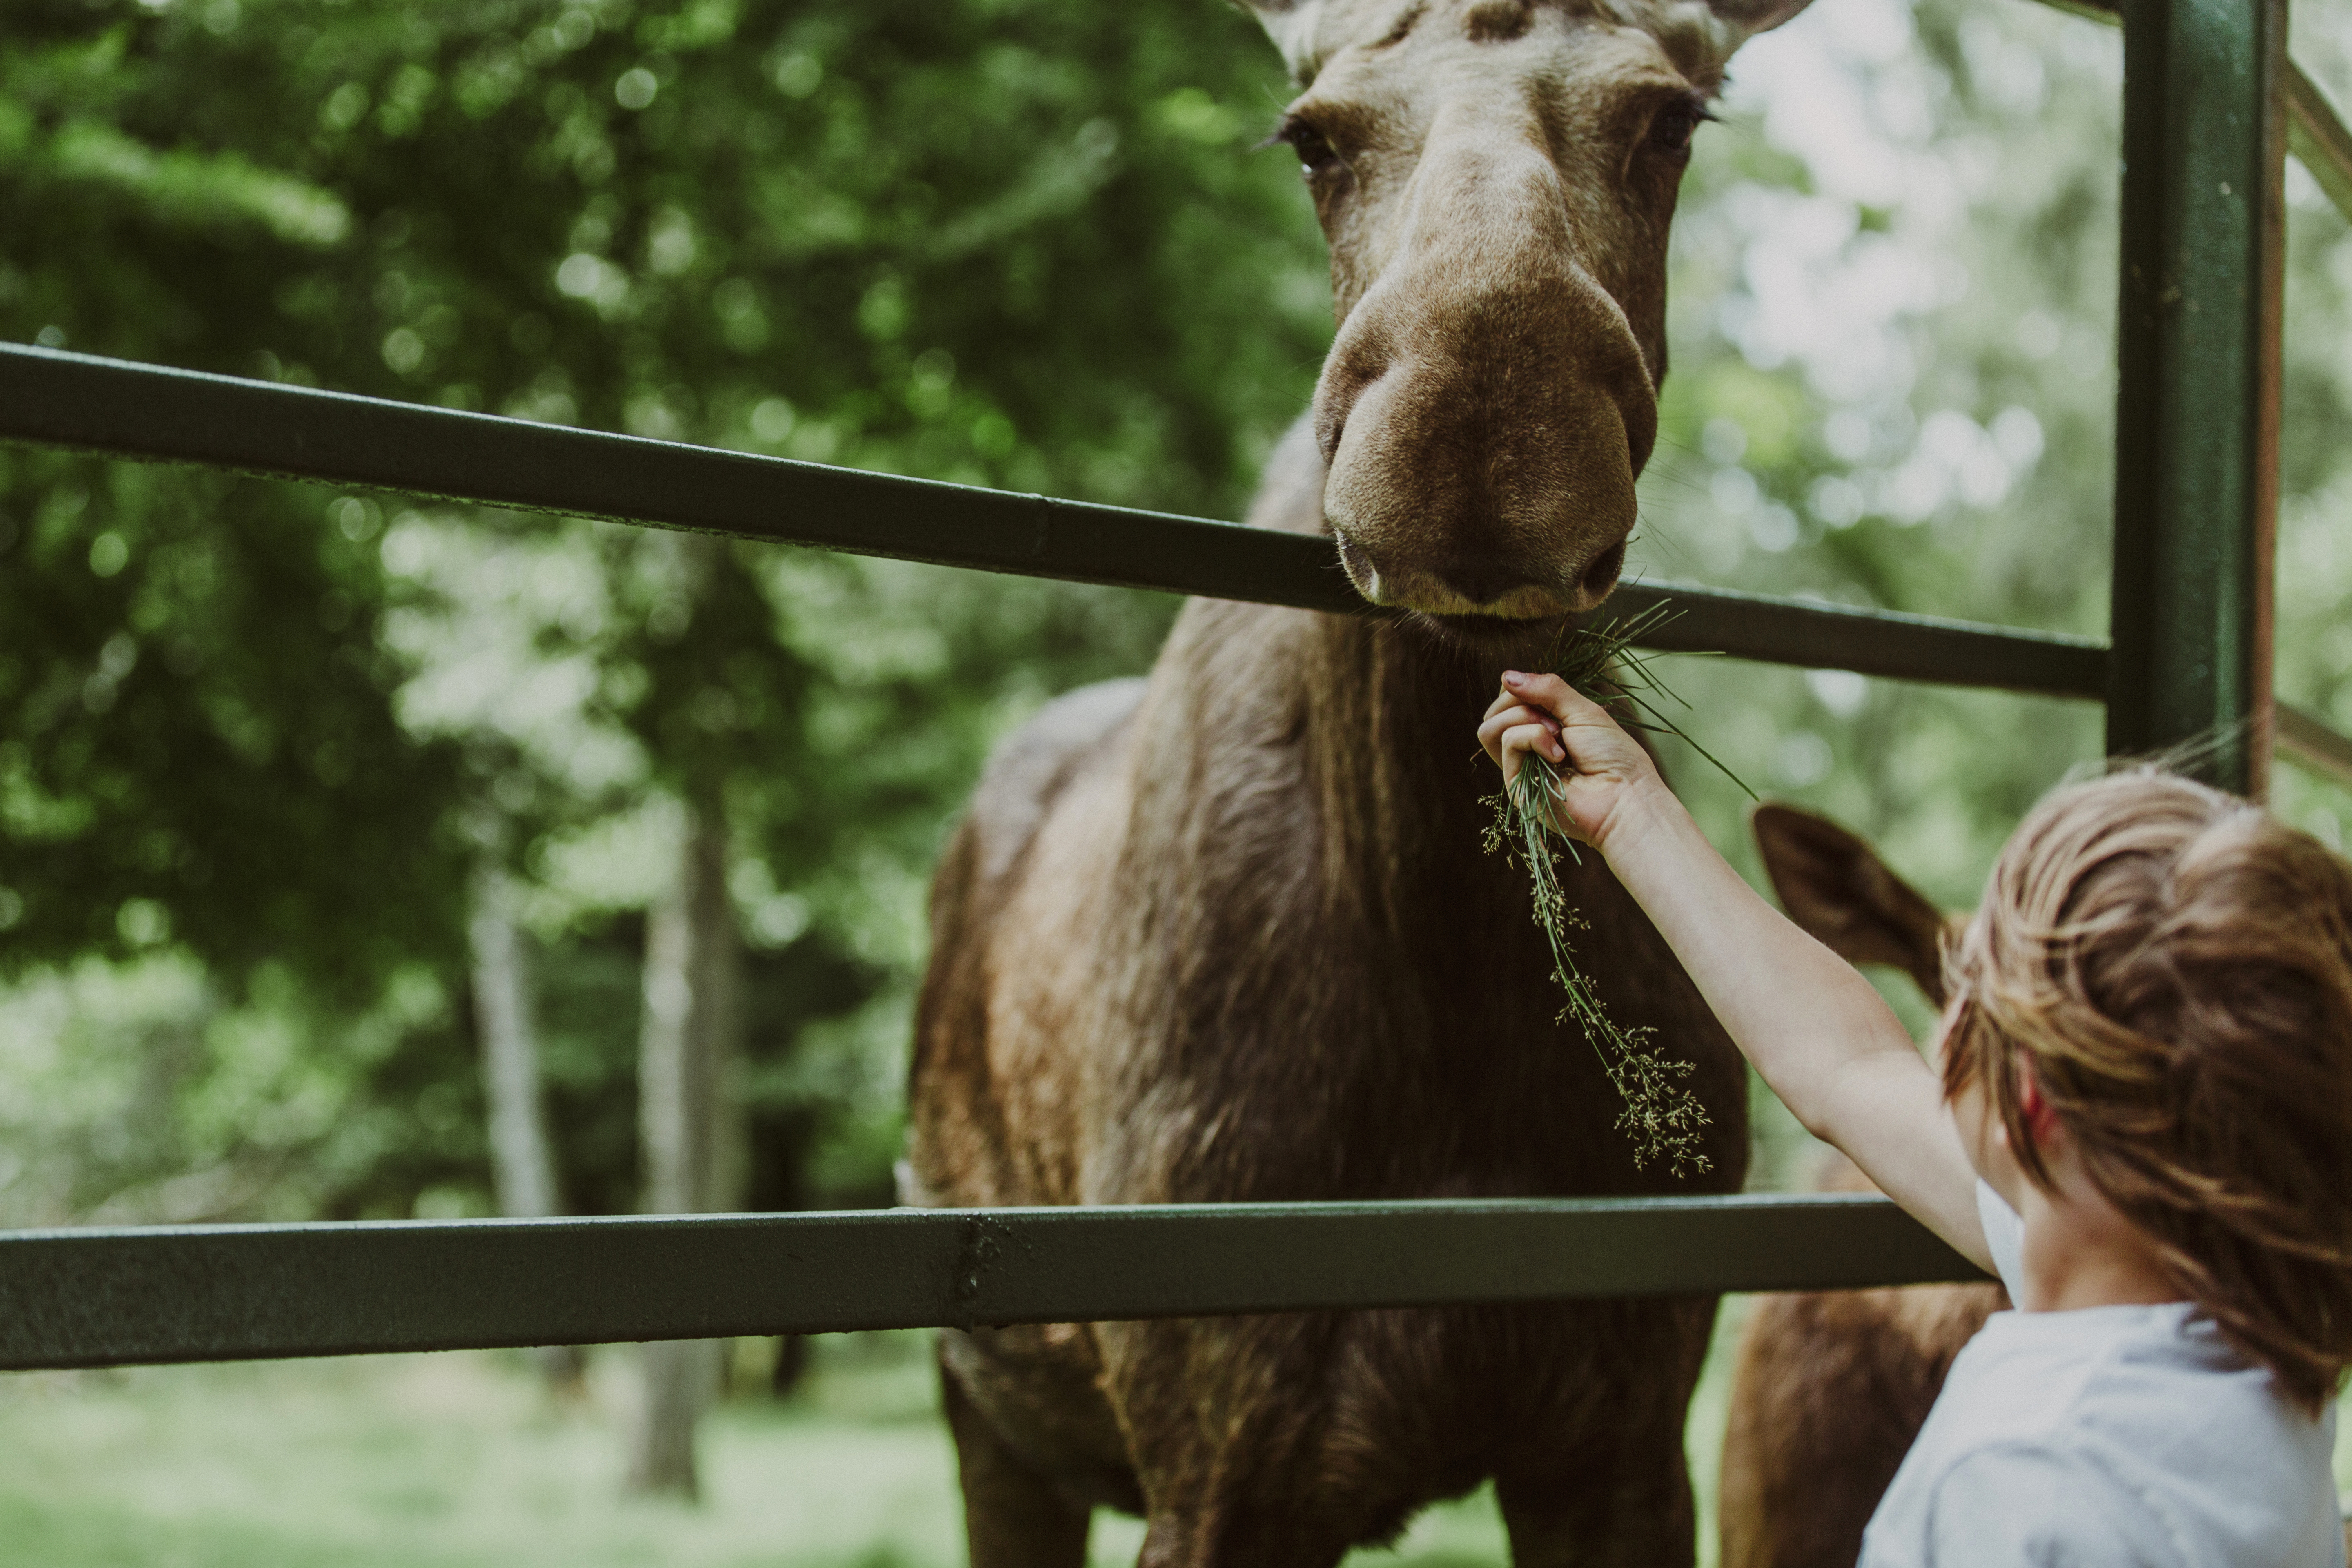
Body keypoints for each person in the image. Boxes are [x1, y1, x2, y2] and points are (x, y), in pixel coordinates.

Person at [1478, 670, 2352, 1566]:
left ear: (2029, 1104)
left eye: (1972, 988)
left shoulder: (2028, 1486)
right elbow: (1846, 1066)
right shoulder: (2226, 1327)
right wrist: (1634, 814)